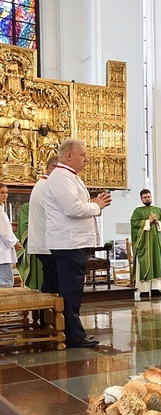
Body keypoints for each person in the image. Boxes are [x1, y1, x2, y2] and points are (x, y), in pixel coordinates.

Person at [44, 138, 112, 348]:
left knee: (72, 289)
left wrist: (92, 203)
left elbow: (76, 205)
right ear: (68, 156)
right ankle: (73, 335)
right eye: (83, 155)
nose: (87, 159)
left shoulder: (69, 177)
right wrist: (97, 205)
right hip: (69, 243)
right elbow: (73, 209)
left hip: (72, 242)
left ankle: (71, 331)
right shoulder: (61, 178)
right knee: (70, 291)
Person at [19, 155, 59, 291]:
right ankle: (50, 311)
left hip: (48, 241)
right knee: (53, 281)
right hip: (47, 242)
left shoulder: (46, 184)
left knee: (51, 278)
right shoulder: (45, 186)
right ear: (51, 168)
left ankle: (47, 311)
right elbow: (54, 213)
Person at [131, 189, 161, 298]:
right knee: (144, 264)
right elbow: (134, 224)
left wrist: (158, 222)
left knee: (157, 263)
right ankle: (144, 290)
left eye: (149, 196)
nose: (147, 198)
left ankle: (156, 289)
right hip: (144, 245)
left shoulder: (158, 210)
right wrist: (147, 222)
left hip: (157, 244)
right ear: (141, 198)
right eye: (145, 197)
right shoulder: (137, 211)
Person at [0, 183, 22, 288]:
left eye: (6, 192)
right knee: (6, 283)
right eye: (2, 192)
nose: (5, 195)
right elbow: (5, 232)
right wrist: (15, 243)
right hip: (2, 252)